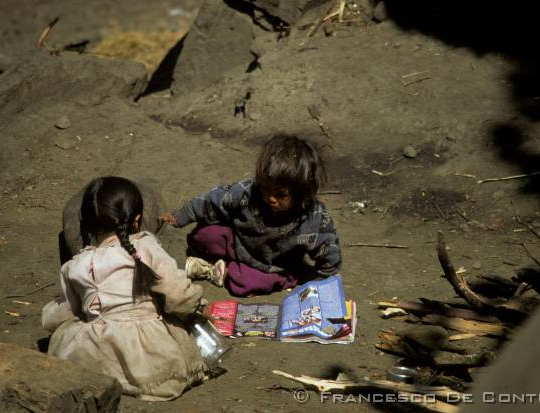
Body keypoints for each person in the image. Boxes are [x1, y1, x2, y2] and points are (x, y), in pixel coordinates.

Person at [42, 176, 210, 401]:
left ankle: (109, 379)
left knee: (73, 331)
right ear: (137, 219)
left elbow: (65, 311)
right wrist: (198, 306)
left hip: (93, 357)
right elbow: (178, 293)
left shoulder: (75, 266)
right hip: (150, 363)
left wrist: (49, 318)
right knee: (176, 323)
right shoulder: (144, 246)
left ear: (86, 224)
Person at [159, 134, 342, 297]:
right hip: (237, 242)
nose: (270, 198)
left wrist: (323, 278)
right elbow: (213, 200)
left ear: (302, 192)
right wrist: (181, 216)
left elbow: (328, 249)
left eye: (280, 194)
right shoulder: (248, 192)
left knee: (242, 283)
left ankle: (216, 270)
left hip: (272, 265)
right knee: (202, 236)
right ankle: (222, 265)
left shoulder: (313, 218)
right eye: (265, 188)